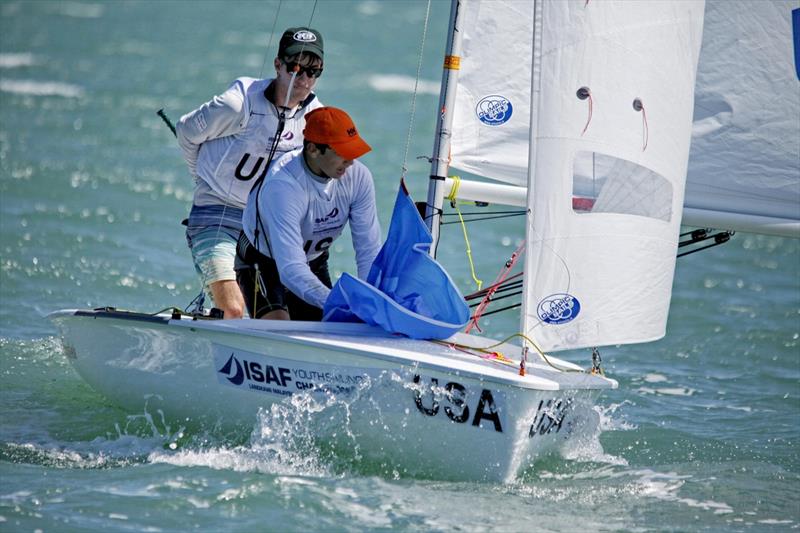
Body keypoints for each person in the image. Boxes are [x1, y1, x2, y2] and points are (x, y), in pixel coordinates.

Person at [175, 27, 325, 318]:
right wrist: (203, 180)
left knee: (286, 319)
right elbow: (186, 132)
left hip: (264, 228)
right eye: (296, 67)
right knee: (232, 309)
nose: (303, 79)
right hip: (217, 214)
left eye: (313, 71)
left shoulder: (315, 118)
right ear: (278, 65)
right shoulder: (238, 104)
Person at [236, 106, 381, 321]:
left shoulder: (359, 177)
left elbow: (368, 251)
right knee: (279, 327)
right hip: (263, 260)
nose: (351, 162)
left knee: (335, 329)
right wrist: (339, 302)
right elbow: (291, 269)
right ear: (313, 149)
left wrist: (373, 305)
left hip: (312, 260)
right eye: (343, 153)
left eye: (353, 151)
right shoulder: (283, 187)